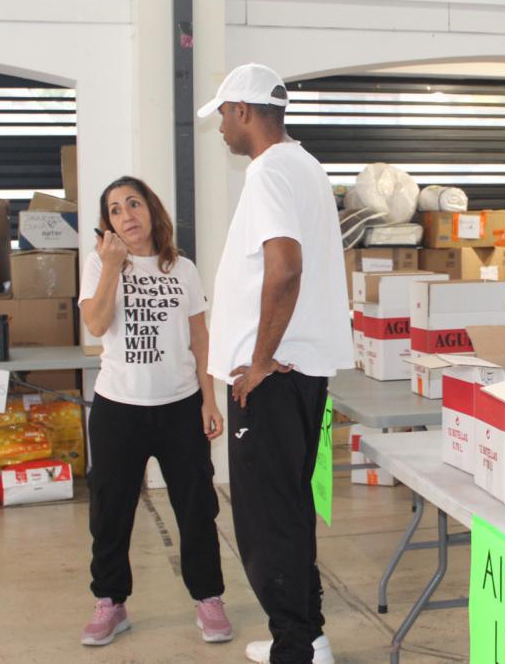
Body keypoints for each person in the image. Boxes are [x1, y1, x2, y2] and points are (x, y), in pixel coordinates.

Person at [197, 63, 354, 664]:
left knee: (265, 518)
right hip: (299, 369)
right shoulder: (305, 165)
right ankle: (306, 636)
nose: (220, 132)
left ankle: (298, 647)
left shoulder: (269, 171)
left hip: (275, 375)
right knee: (286, 507)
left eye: (223, 118)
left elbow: (283, 267)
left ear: (243, 111)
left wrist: (259, 360)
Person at [77, 176, 232, 646]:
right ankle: (110, 603)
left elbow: (200, 340)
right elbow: (96, 325)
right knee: (110, 511)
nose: (127, 215)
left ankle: (208, 599)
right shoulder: (97, 264)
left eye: (134, 204)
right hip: (117, 408)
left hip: (179, 407)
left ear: (151, 210)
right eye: (116, 210)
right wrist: (110, 268)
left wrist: (209, 399)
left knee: (196, 507)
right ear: (108, 224)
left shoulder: (182, 268)